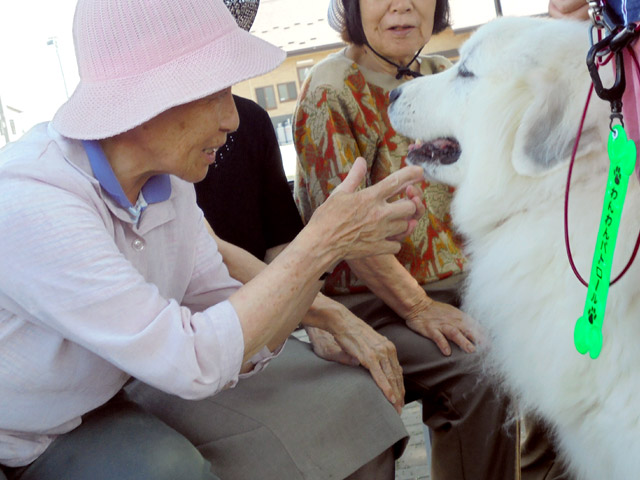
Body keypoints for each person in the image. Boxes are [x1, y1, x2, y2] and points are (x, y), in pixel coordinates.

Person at [0, 0, 428, 478]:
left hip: (103, 391)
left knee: (351, 403)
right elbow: (192, 361)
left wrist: (329, 253)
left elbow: (223, 303)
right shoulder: (34, 199)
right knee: (168, 470)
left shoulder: (168, 185)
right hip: (21, 438)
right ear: (145, 100)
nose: (233, 119)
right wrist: (323, 242)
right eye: (215, 93)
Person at [294, 0, 519, 479]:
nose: (402, 5)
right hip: (374, 299)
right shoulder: (331, 88)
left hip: (461, 286)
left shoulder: (444, 72)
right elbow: (343, 234)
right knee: (481, 373)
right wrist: (418, 306)